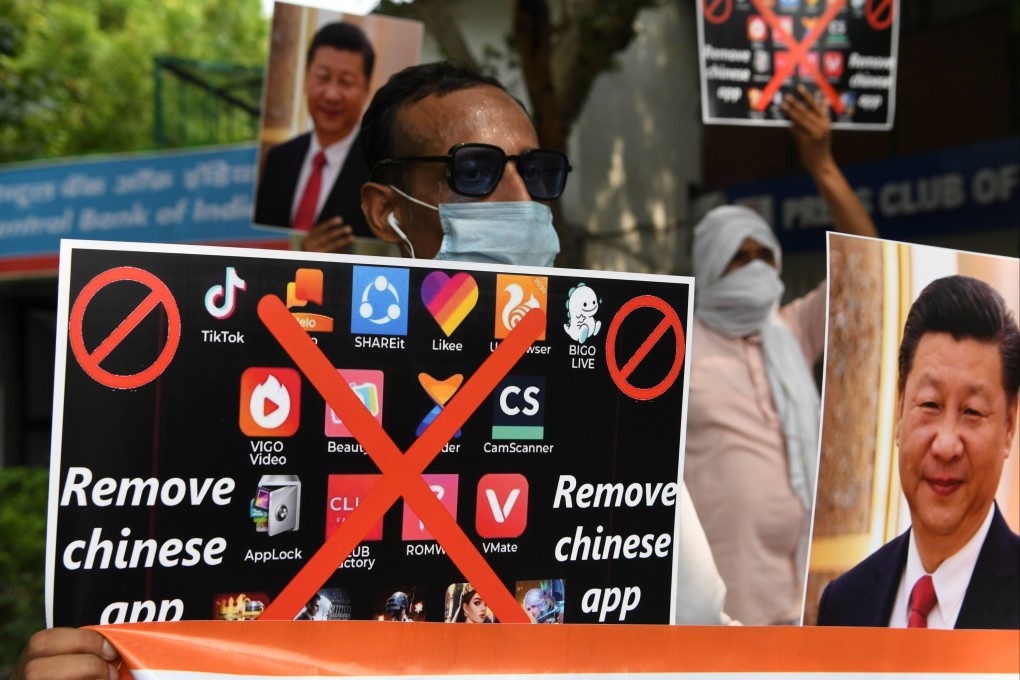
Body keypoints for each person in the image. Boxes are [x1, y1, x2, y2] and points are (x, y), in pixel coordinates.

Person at [12, 61, 733, 679]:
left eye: (537, 174)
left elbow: (696, 626)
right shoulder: (264, 387)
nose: (521, 203)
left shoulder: (602, 401)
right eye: (476, 172)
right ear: (386, 211)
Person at [682, 84, 879, 625]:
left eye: (761, 256)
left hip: (808, 598)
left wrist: (822, 164)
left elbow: (866, 271)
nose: (752, 269)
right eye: (735, 259)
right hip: (723, 612)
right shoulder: (673, 345)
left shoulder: (788, 329)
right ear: (707, 267)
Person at [817, 275, 1019, 629]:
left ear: (1009, 427)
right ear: (899, 409)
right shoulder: (845, 603)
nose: (945, 445)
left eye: (972, 411)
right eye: (929, 404)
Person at [253, 21, 373, 253]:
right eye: (323, 77)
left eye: (346, 82)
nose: (331, 94)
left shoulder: (377, 167)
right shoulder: (278, 158)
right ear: (307, 78)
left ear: (366, 88)